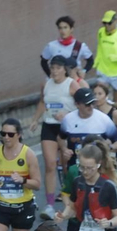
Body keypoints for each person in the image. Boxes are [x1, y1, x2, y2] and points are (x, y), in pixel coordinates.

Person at [32, 55, 85, 216]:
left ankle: (72, 200)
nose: (54, 71)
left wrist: (68, 114)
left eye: (57, 68)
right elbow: (43, 102)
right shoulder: (46, 84)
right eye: (52, 68)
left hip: (67, 127)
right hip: (49, 126)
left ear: (64, 69)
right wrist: (35, 119)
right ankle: (49, 205)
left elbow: (82, 106)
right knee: (50, 164)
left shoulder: (72, 85)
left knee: (69, 166)